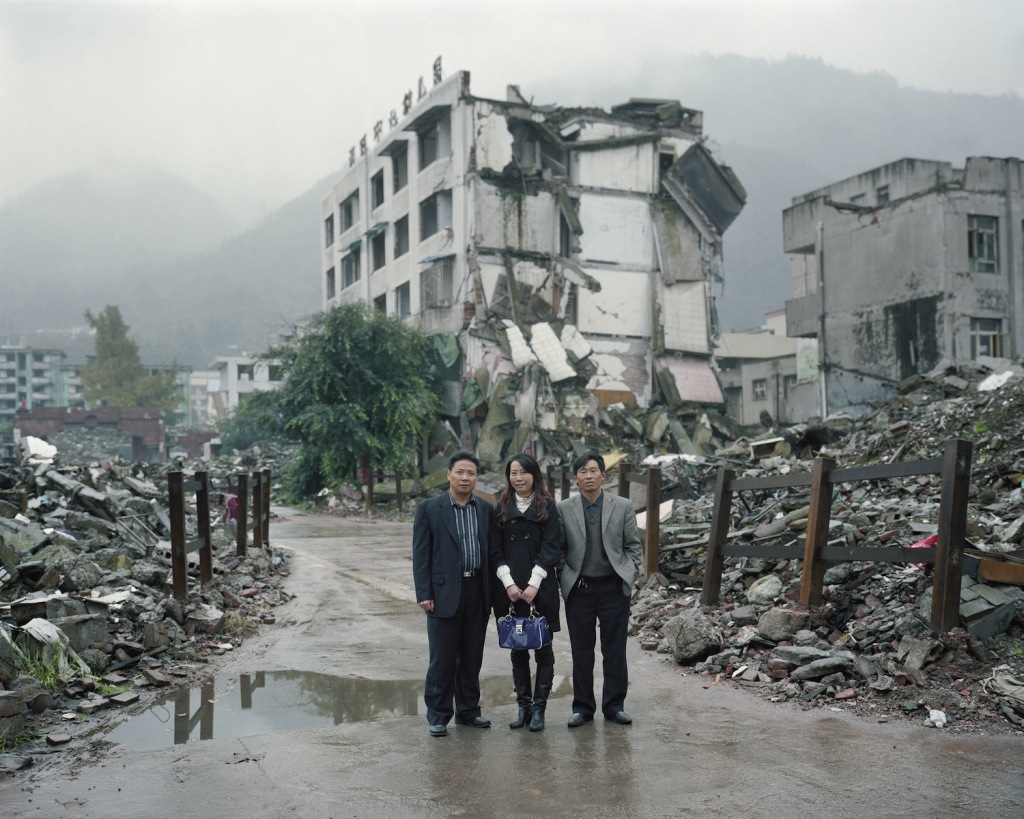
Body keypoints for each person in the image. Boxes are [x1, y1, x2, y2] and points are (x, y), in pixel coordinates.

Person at [412, 450, 494, 738]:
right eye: (460, 472)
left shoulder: (485, 509)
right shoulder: (430, 509)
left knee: (472, 657)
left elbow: (492, 554)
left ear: (476, 478)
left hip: (477, 591)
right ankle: (438, 715)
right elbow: (420, 554)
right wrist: (424, 592)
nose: (465, 477)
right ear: (449, 474)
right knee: (443, 658)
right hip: (443, 593)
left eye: (471, 473)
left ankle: (469, 711)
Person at [558, 452, 642, 727]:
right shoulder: (565, 508)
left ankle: (614, 706)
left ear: (604, 475)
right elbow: (558, 550)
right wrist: (565, 578)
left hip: (613, 588)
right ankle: (582, 708)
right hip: (579, 589)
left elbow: (633, 547)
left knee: (614, 650)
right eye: (583, 471)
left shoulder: (623, 506)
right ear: (575, 478)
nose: (589, 475)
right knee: (581, 651)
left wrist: (628, 576)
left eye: (594, 470)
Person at [489, 453, 563, 732]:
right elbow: (494, 550)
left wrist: (534, 583)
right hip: (509, 591)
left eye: (524, 472)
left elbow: (552, 547)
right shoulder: (501, 509)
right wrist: (508, 582)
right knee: (517, 649)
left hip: (540, 590)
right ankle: (523, 706)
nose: (518, 478)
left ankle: (540, 710)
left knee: (544, 649)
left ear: (534, 474)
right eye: (513, 473)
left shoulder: (548, 507)